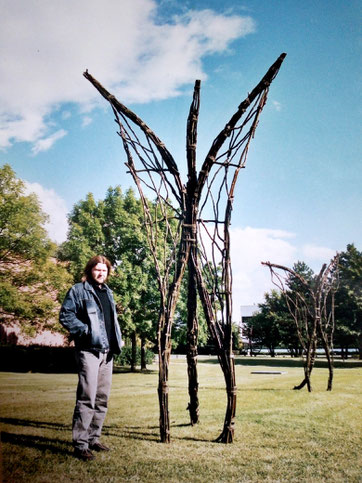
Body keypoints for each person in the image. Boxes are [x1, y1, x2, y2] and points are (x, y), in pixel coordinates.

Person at [59, 255, 123, 461]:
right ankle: (80, 444)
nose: (101, 273)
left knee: (102, 398)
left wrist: (118, 339)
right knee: (87, 397)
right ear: (90, 270)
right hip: (89, 351)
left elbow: (111, 321)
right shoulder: (78, 290)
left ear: (108, 273)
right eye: (97, 269)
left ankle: (93, 439)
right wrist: (85, 331)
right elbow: (66, 315)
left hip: (108, 352)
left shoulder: (109, 293)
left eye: (104, 270)